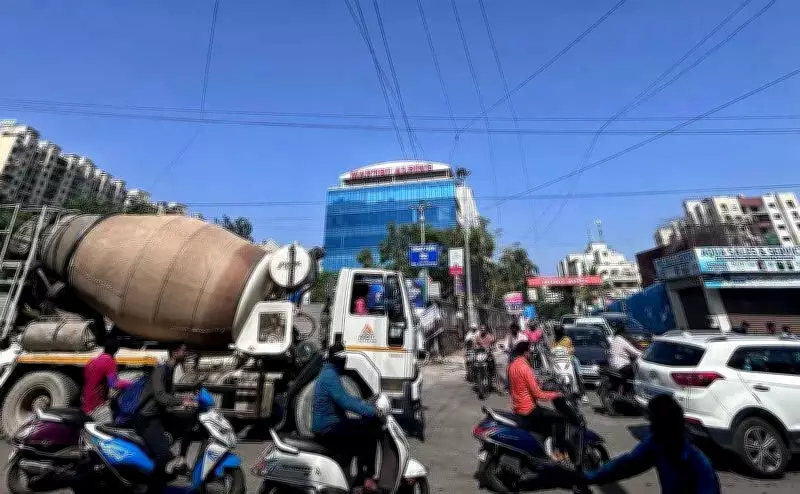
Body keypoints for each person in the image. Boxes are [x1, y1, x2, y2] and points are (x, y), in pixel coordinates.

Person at [584, 394, 720, 494]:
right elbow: (627, 465)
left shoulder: (699, 464)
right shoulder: (656, 444)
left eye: (655, 422)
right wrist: (585, 478)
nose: (651, 427)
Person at [312, 342, 381, 491]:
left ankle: (359, 478)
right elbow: (344, 402)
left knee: (362, 429)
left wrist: (365, 402)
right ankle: (368, 478)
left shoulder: (328, 372)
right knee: (369, 434)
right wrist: (372, 411)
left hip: (332, 424)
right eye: (343, 359)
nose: (345, 362)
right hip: (328, 428)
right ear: (338, 360)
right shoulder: (330, 375)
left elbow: (345, 397)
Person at [134, 342, 196, 493]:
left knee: (189, 422)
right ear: (175, 353)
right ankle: (152, 488)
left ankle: (181, 457)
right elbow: (161, 396)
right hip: (147, 418)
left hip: (159, 415)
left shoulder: (170, 369)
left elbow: (168, 397)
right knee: (163, 455)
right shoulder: (160, 371)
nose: (186, 354)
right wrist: (182, 401)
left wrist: (188, 399)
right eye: (184, 351)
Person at [507, 340, 572, 462]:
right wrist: (556, 394)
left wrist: (538, 383)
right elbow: (538, 394)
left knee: (547, 422)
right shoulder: (525, 367)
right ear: (526, 352)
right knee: (561, 418)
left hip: (517, 408)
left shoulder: (512, 366)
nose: (531, 354)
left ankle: (546, 447)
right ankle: (558, 451)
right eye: (530, 352)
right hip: (529, 409)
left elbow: (516, 386)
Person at [82, 337, 132, 424]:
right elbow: (113, 383)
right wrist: (130, 384)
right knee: (106, 431)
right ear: (116, 350)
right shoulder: (109, 361)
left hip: (86, 404)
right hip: (97, 406)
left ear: (104, 348)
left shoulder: (92, 361)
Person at [551, 324, 588, 404]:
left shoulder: (567, 340)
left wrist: (570, 350)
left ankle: (583, 394)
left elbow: (572, 349)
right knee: (553, 375)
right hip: (559, 363)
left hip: (568, 360)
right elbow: (552, 352)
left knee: (577, 374)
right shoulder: (554, 341)